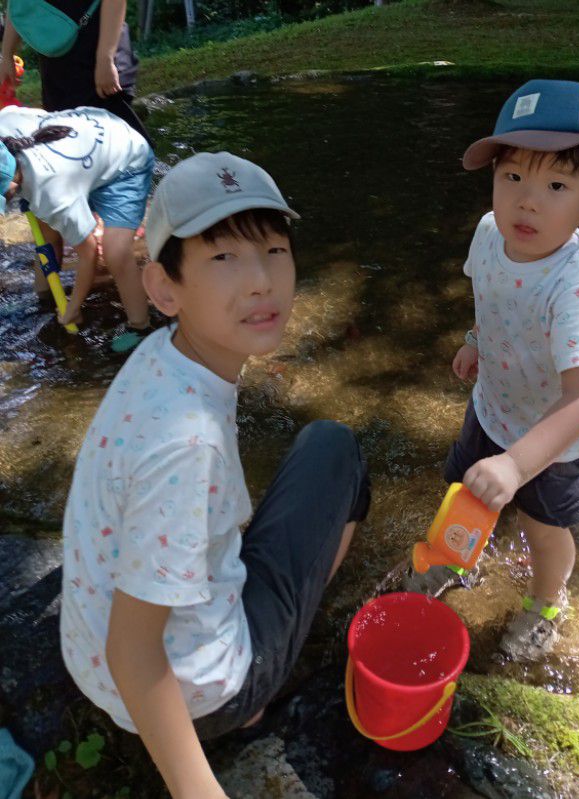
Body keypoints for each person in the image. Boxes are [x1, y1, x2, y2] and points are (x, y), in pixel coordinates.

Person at [59, 151, 370, 797]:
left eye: (274, 249)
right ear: (163, 287)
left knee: (305, 461)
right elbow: (134, 649)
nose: (260, 280)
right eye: (223, 257)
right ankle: (257, 687)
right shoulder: (187, 444)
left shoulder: (160, 357)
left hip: (91, 668)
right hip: (193, 693)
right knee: (336, 450)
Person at [409, 79, 579, 662]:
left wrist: (518, 462)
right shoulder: (489, 232)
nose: (528, 201)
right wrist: (476, 339)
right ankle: (451, 558)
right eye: (513, 177)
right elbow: (491, 295)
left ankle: (547, 602)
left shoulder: (578, 288)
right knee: (466, 487)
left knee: (541, 524)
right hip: (496, 402)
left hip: (560, 434)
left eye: (556, 184)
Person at [0, 104, 154, 350]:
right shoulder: (4, 127)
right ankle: (43, 295)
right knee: (48, 233)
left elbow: (89, 251)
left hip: (125, 158)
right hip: (83, 146)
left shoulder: (53, 193)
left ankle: (141, 328)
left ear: (12, 184)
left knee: (115, 252)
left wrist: (74, 306)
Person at [0, 0, 150, 144]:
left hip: (101, 46)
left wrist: (105, 59)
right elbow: (19, 5)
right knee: (64, 136)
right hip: (57, 58)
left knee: (122, 138)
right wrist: (7, 54)